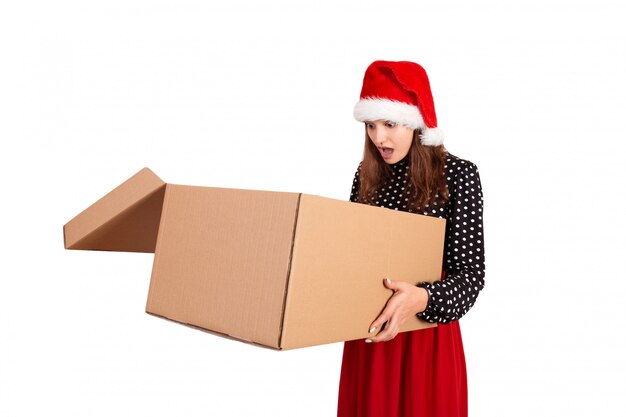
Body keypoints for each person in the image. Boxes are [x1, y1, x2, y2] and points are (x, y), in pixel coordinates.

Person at [337, 60, 486, 417]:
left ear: (417, 122)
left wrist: (421, 297)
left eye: (389, 124)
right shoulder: (366, 176)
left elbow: (470, 276)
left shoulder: (459, 175)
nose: (379, 138)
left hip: (426, 342)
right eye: (371, 125)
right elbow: (349, 254)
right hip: (369, 340)